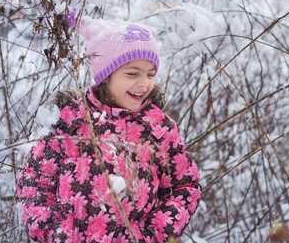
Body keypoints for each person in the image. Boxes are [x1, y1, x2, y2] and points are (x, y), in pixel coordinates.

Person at [17, 17, 202, 243]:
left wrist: (154, 235)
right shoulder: (70, 121)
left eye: (150, 74)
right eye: (133, 73)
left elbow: (183, 187)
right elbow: (36, 183)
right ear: (106, 75)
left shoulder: (158, 128)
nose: (144, 83)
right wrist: (56, 233)